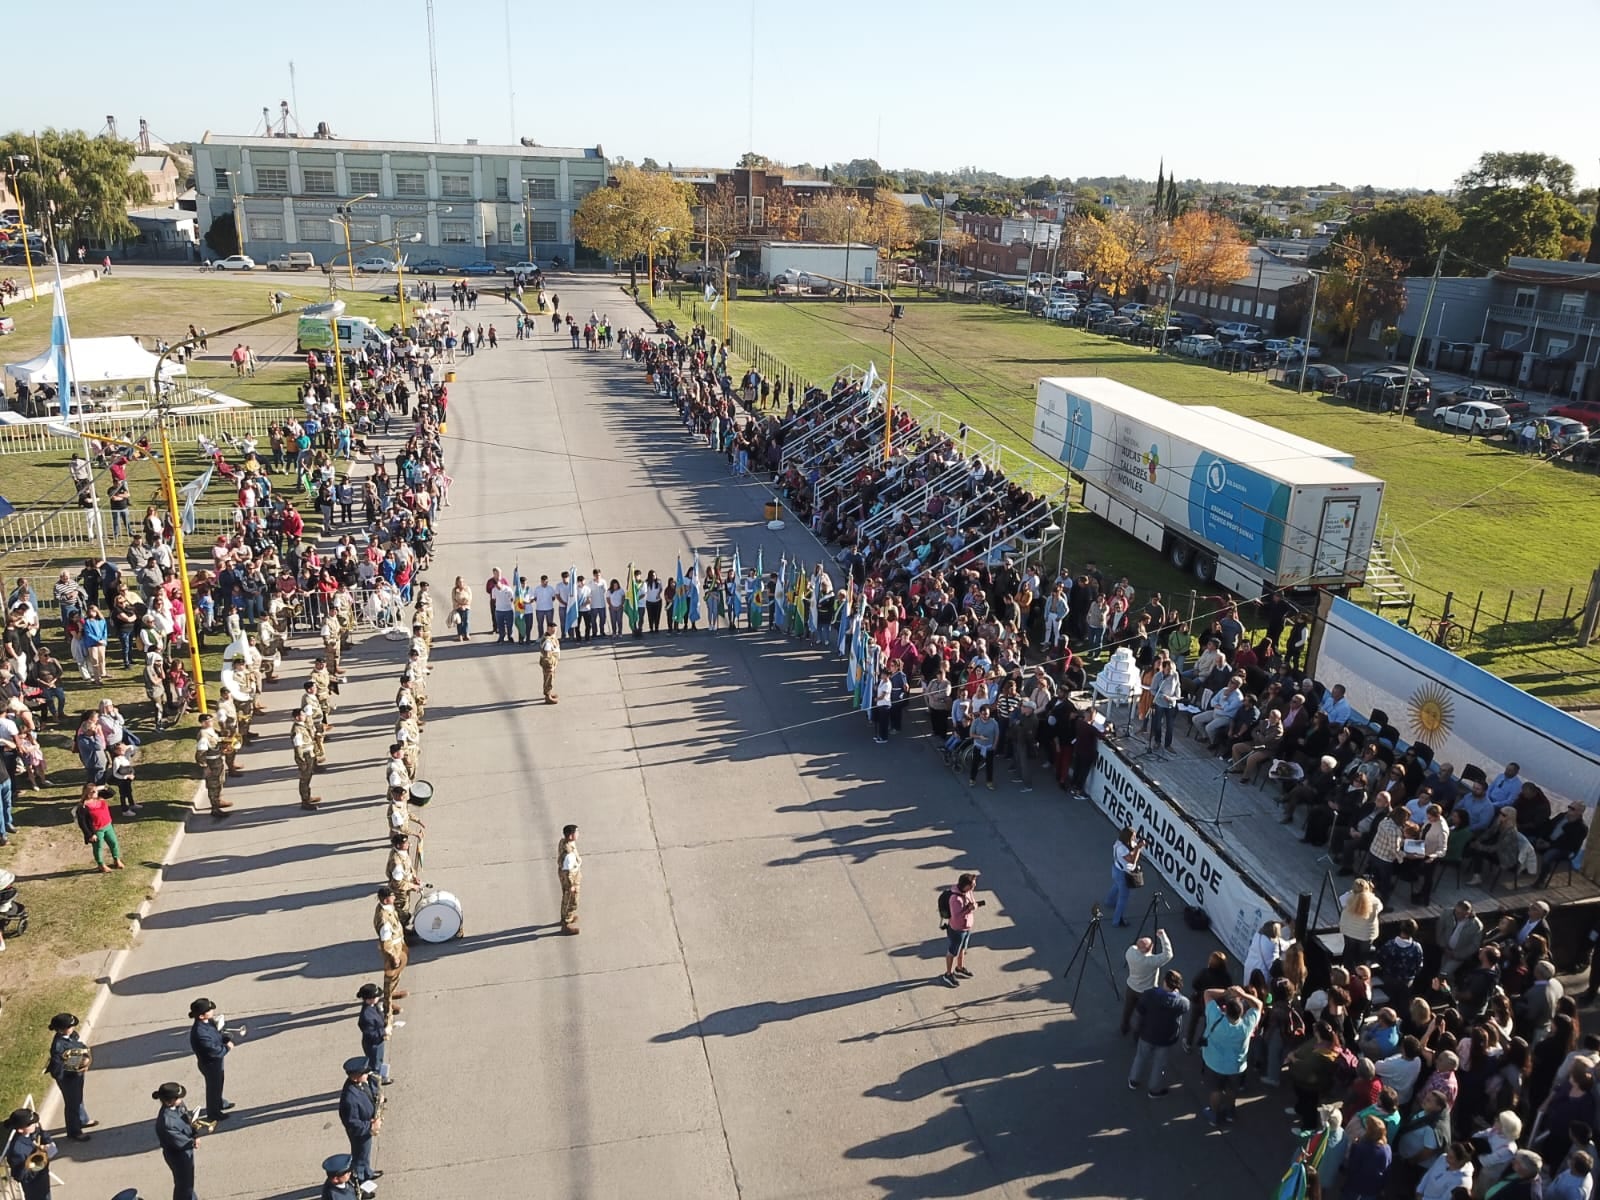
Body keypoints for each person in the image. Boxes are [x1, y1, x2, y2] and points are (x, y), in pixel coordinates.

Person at [1200, 984, 1263, 1126]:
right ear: (1242, 1013)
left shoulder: (1215, 1017)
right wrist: (1243, 994)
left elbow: (1207, 992)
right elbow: (1259, 1005)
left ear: (1225, 1010)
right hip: (1236, 1066)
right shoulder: (1246, 1025)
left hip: (1213, 1062)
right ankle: (1230, 1112)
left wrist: (1229, 992)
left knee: (1215, 1090)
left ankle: (1214, 1115)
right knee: (1231, 1090)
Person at [1129, 969, 1189, 1097]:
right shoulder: (1181, 1002)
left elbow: (1139, 1011)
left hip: (1147, 1033)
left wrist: (1137, 1028)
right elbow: (1186, 1007)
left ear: (1164, 982)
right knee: (1159, 1064)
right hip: (1166, 1038)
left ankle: (1134, 1080)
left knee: (1140, 1057)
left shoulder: (1150, 995)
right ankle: (1154, 1089)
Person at [45, 1013, 94, 1141]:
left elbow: (78, 1046)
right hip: (68, 1079)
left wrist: (84, 1061)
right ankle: (74, 1131)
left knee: (78, 1099)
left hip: (77, 1074)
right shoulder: (58, 1046)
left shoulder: (71, 1035)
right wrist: (75, 1067)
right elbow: (57, 1069)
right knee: (72, 1104)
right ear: (61, 1029)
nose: (73, 1028)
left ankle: (83, 1119)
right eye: (70, 1026)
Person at [1121, 927, 1174, 1037]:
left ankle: (1124, 1027)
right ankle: (1137, 1035)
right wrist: (1162, 936)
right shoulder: (1152, 961)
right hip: (1146, 992)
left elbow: (1135, 947)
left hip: (1131, 987)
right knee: (1143, 1015)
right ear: (1150, 948)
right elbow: (1168, 954)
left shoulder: (1130, 952)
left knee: (1128, 1009)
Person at [188, 997, 234, 1121]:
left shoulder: (209, 1022)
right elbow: (215, 1051)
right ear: (201, 1016)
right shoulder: (200, 1033)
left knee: (219, 1083)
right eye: (209, 1010)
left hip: (216, 1063)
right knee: (213, 1087)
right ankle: (214, 1113)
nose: (212, 1011)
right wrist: (227, 1048)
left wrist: (225, 1038)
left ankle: (219, 1103)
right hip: (210, 1064)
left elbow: (217, 1035)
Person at [338, 1058, 382, 1188]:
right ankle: (361, 1184)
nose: (367, 1074)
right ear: (355, 1077)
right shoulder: (349, 1098)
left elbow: (368, 1093)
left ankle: (367, 1172)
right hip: (360, 1132)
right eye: (364, 1073)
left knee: (365, 1154)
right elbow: (352, 1123)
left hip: (367, 1124)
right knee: (359, 1157)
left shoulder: (362, 1083)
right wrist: (370, 1126)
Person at [153, 1082, 199, 1200]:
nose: (181, 1099)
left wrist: (195, 1133)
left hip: (185, 1150)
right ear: (169, 1102)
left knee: (188, 1182)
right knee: (184, 1184)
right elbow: (178, 1141)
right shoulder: (166, 1122)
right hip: (178, 1155)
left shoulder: (178, 1105)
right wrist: (193, 1142)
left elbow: (187, 1119)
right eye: (177, 1097)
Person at [4, 1108, 55, 1200]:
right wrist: (38, 1157)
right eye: (32, 1123)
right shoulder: (17, 1150)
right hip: (33, 1184)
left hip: (43, 1175)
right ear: (20, 1130)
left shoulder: (32, 1130)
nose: (36, 1125)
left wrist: (48, 1143)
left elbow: (43, 1134)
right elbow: (20, 1175)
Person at [941, 872, 982, 988]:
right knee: (952, 952)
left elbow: (972, 901)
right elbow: (956, 916)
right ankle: (948, 974)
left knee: (963, 948)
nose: (974, 886)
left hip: (966, 928)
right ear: (966, 885)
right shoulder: (956, 899)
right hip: (957, 930)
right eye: (973, 884)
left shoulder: (968, 892)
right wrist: (969, 909)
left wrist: (973, 905)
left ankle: (959, 967)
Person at [375, 885, 408, 1016]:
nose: (394, 897)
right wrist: (393, 957)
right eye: (392, 896)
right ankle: (387, 1005)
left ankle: (392, 992)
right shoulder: (384, 920)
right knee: (390, 978)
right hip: (392, 950)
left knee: (396, 974)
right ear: (386, 900)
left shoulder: (387, 908)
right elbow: (385, 942)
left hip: (398, 945)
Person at [78, 784, 125, 872]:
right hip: (97, 830)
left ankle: (116, 860)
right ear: (88, 794)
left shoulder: (100, 797)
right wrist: (90, 834)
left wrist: (103, 787)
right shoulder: (83, 807)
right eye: (93, 791)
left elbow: (112, 793)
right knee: (98, 847)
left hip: (108, 825)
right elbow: (82, 823)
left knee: (113, 843)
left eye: (96, 791)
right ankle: (101, 865)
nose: (96, 792)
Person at [1106, 826, 1143, 927]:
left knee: (1116, 885)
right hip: (1123, 873)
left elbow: (1132, 848)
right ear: (1128, 837)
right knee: (1123, 898)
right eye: (1133, 836)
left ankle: (1109, 902)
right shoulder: (1122, 848)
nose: (1135, 838)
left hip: (1117, 869)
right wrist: (1138, 849)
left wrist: (1136, 846)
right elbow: (1132, 860)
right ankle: (1117, 921)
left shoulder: (1120, 842)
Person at [967, 703, 999, 788]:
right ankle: (972, 779)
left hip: (989, 747)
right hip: (978, 746)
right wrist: (979, 737)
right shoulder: (976, 721)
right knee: (975, 763)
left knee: (989, 765)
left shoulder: (994, 723)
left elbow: (997, 735)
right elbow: (971, 734)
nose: (985, 716)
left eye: (987, 714)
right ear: (980, 713)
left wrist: (995, 745)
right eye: (983, 714)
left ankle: (989, 781)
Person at [558, 824, 581, 934]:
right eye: (576, 832)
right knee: (571, 900)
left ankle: (568, 917)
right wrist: (571, 885)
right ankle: (566, 924)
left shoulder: (564, 842)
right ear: (571, 836)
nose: (578, 834)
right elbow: (568, 872)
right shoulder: (569, 854)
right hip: (570, 878)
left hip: (563, 874)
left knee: (566, 897)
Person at [539, 624, 561, 703]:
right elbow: (547, 654)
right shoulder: (548, 640)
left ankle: (549, 693)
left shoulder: (551, 637)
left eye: (555, 630)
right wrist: (550, 665)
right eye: (552, 630)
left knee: (548, 678)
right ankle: (548, 697)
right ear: (548, 629)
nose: (554, 632)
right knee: (549, 679)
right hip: (549, 663)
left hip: (552, 662)